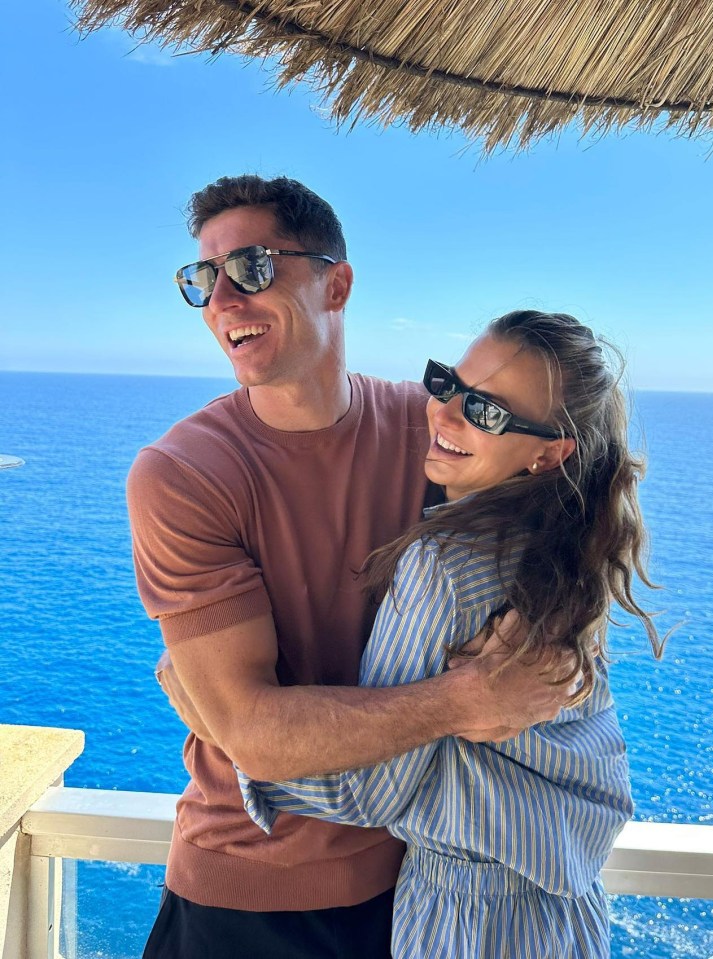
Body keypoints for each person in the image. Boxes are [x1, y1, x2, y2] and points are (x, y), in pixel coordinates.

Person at [127, 175, 579, 958]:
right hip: (247, 897)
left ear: (335, 281)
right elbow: (254, 737)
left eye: (254, 267)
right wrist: (462, 699)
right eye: (201, 279)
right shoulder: (184, 473)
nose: (223, 300)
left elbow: (573, 491)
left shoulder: (439, 432)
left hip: (420, 893)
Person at [239, 310, 664, 958]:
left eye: (487, 413)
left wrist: (235, 735)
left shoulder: (444, 564)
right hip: (571, 916)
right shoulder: (569, 554)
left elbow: (370, 788)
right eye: (447, 384)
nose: (444, 415)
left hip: (466, 921)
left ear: (550, 451)